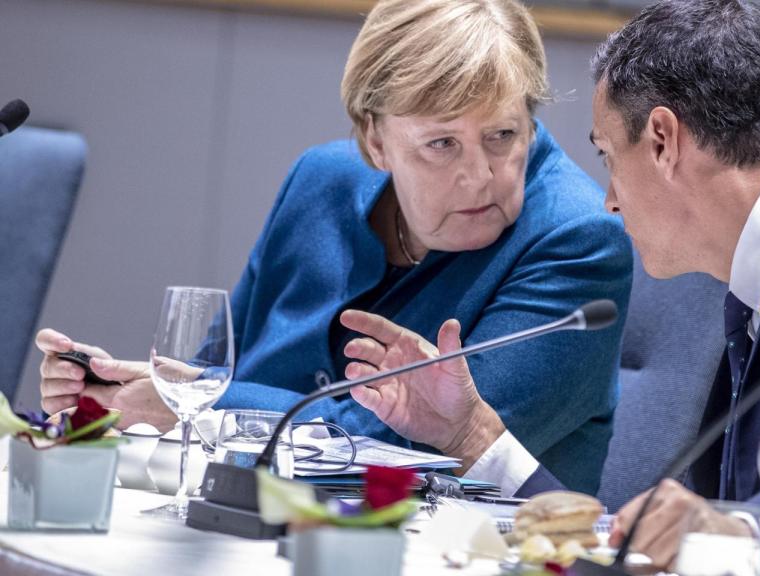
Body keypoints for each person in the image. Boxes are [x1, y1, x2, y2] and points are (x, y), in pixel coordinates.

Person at [329, 1, 760, 573]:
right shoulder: (752, 294)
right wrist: (474, 434)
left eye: (607, 157)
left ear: (662, 140)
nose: (607, 201)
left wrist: (753, 533)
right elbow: (649, 552)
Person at [33, 0, 632, 494]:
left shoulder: (577, 241)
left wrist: (196, 408)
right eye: (441, 144)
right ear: (375, 139)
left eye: (503, 134)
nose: (479, 175)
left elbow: (415, 447)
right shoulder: (321, 181)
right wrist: (141, 395)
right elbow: (218, 367)